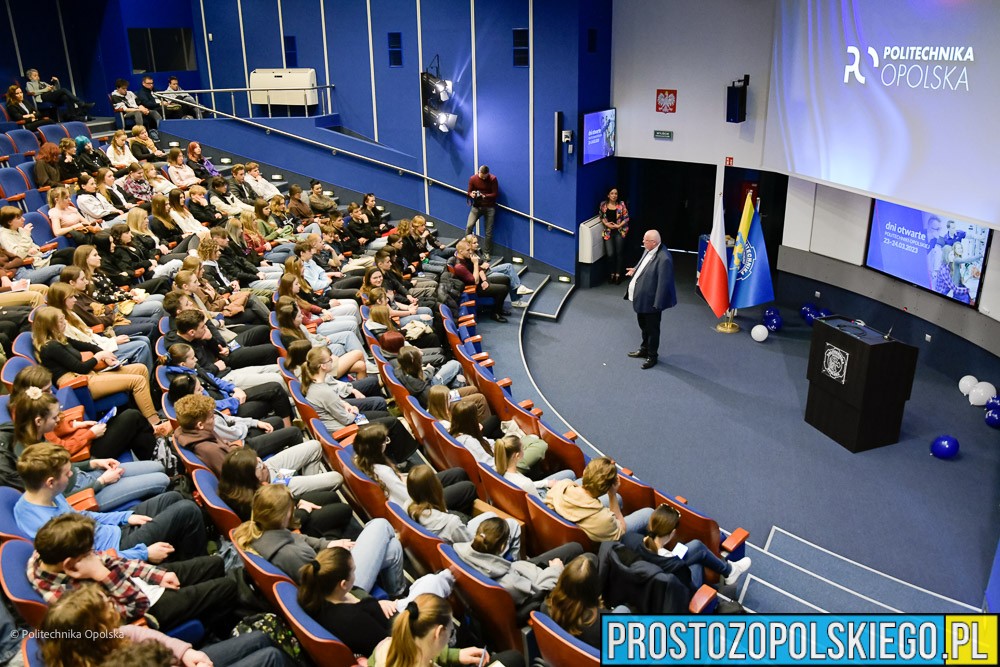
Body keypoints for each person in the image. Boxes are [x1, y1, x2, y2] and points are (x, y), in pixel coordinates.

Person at [29, 513, 238, 632]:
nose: (94, 554)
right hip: (142, 610)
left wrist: (157, 575)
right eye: (89, 553)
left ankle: (210, 612)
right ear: (71, 565)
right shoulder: (68, 600)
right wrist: (103, 574)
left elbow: (112, 560)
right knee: (227, 587)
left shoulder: (46, 553)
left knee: (215, 564)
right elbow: (137, 607)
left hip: (130, 583)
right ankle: (215, 633)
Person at [14, 443, 207, 562]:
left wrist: (125, 517)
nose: (72, 474)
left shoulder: (47, 494)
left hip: (111, 531)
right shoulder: (43, 527)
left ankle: (182, 552)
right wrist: (143, 554)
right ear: (50, 482)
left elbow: (83, 516)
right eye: (67, 474)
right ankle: (196, 564)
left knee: (171, 497)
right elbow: (88, 561)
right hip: (117, 548)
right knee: (187, 510)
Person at [38, 585, 283, 667]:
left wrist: (186, 652)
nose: (114, 606)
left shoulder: (99, 638)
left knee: (259, 639)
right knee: (270, 657)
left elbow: (139, 633)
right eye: (108, 608)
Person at [232, 484, 406, 596]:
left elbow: (299, 538)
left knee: (393, 548)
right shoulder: (290, 555)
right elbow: (324, 585)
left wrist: (329, 544)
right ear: (286, 515)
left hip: (330, 569)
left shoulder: (260, 530)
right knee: (380, 525)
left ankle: (397, 591)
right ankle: (397, 592)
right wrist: (340, 556)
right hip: (340, 587)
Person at [297, 547, 457, 657]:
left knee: (429, 580)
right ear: (343, 584)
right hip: (403, 628)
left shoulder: (314, 594)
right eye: (353, 570)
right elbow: (394, 645)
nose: (355, 573)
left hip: (390, 611)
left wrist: (376, 605)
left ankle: (445, 577)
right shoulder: (352, 620)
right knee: (433, 583)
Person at [174, 393, 340, 496]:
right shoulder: (208, 449)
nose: (214, 419)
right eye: (211, 417)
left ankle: (305, 493)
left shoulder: (192, 432)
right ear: (200, 425)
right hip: (268, 483)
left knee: (314, 446)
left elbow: (232, 448)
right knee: (336, 477)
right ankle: (295, 495)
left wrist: (238, 449)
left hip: (263, 467)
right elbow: (242, 484)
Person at [32, 307, 167, 432]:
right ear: (51, 326)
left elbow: (88, 345)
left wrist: (105, 355)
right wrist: (99, 357)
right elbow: (81, 368)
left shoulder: (60, 338)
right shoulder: (51, 347)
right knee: (137, 381)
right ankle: (155, 425)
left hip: (88, 374)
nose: (65, 323)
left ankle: (146, 412)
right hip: (80, 383)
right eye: (61, 321)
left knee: (140, 369)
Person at [453, 516, 583, 615]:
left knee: (575, 548)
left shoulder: (459, 551)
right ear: (503, 547)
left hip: (518, 569)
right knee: (586, 559)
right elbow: (539, 593)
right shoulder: (511, 584)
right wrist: (555, 570)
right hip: (536, 581)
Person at [219, 447, 353, 539]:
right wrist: (304, 510)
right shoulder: (251, 503)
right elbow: (281, 524)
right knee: (344, 510)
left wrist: (297, 501)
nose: (264, 465)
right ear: (248, 476)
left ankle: (330, 533)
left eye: (259, 460)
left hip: (288, 509)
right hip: (288, 526)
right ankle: (326, 537)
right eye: (258, 466)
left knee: (332, 497)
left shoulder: (239, 486)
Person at [368, 593, 525, 667]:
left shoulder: (386, 647)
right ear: (439, 632)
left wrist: (455, 655)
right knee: (514, 659)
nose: (452, 631)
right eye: (451, 629)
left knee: (512, 658)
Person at [621, 503, 751, 590]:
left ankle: (730, 571)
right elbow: (685, 584)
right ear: (672, 533)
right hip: (673, 589)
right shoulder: (673, 563)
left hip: (647, 579)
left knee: (696, 546)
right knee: (698, 560)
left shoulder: (630, 538)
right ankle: (730, 571)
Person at [353, 423, 475, 514]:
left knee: (458, 473)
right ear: (377, 447)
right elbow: (408, 497)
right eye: (385, 441)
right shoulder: (382, 471)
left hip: (412, 488)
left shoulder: (361, 459)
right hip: (418, 503)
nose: (387, 442)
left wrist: (405, 479)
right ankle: (456, 516)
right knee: (467, 488)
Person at [406, 465, 520, 557]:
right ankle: (510, 564)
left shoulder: (407, 508)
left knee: (491, 515)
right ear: (436, 487)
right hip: (467, 555)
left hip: (451, 546)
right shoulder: (451, 523)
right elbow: (473, 548)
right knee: (512, 524)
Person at [545, 456, 653, 542]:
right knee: (649, 512)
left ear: (584, 473)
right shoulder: (604, 519)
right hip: (590, 537)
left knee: (619, 499)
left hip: (554, 533)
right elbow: (621, 530)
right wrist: (612, 495)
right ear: (607, 489)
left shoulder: (562, 485)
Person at [540, 553, 624, 650]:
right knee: (623, 609)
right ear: (594, 588)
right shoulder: (603, 624)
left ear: (562, 580)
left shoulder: (546, 606)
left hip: (563, 657)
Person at [625, 229, 676, 369]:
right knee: (643, 327)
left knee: (652, 330)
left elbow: (663, 284)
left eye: (645, 240)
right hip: (641, 300)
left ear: (653, 243)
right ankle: (644, 349)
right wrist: (635, 270)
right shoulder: (649, 249)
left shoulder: (664, 259)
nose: (642, 242)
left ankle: (652, 356)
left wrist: (657, 305)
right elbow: (643, 263)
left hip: (652, 303)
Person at [0, 206, 69, 284]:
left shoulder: (20, 230)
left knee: (59, 275)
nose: (24, 219)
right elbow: (18, 255)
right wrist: (26, 237)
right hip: (31, 265)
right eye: (19, 218)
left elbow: (34, 246)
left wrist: (35, 249)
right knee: (62, 265)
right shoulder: (4, 236)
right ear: (9, 222)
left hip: (40, 258)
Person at [493, 435, 574, 498]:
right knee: (573, 480)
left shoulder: (498, 470)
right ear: (517, 456)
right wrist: (559, 488)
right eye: (522, 448)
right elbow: (542, 506)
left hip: (534, 490)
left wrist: (546, 483)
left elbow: (528, 486)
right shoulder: (525, 483)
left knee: (570, 473)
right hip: (546, 500)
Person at [24, 68, 93, 119]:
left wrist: (56, 82)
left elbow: (57, 90)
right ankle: (81, 104)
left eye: (38, 75)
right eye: (35, 75)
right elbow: (32, 92)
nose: (37, 77)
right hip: (42, 97)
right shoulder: (29, 83)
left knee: (65, 96)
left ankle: (73, 116)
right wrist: (46, 89)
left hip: (50, 95)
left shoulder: (43, 83)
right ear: (30, 77)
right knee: (63, 90)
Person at [465, 165, 498, 258]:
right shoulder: (473, 178)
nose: (483, 178)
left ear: (488, 174)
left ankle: (486, 253)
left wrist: (485, 196)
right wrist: (471, 194)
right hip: (476, 207)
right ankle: (467, 248)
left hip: (489, 208)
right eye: (481, 176)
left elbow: (495, 193)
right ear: (479, 172)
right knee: (469, 226)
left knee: (488, 231)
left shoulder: (493, 179)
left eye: (485, 176)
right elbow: (469, 191)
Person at [600, 187, 630, 284]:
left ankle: (618, 274)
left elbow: (626, 218)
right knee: (610, 254)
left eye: (616, 194)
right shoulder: (603, 205)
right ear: (608, 195)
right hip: (608, 232)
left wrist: (618, 225)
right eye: (612, 193)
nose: (614, 195)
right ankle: (611, 273)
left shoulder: (621, 205)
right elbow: (601, 216)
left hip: (619, 231)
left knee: (619, 253)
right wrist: (606, 224)